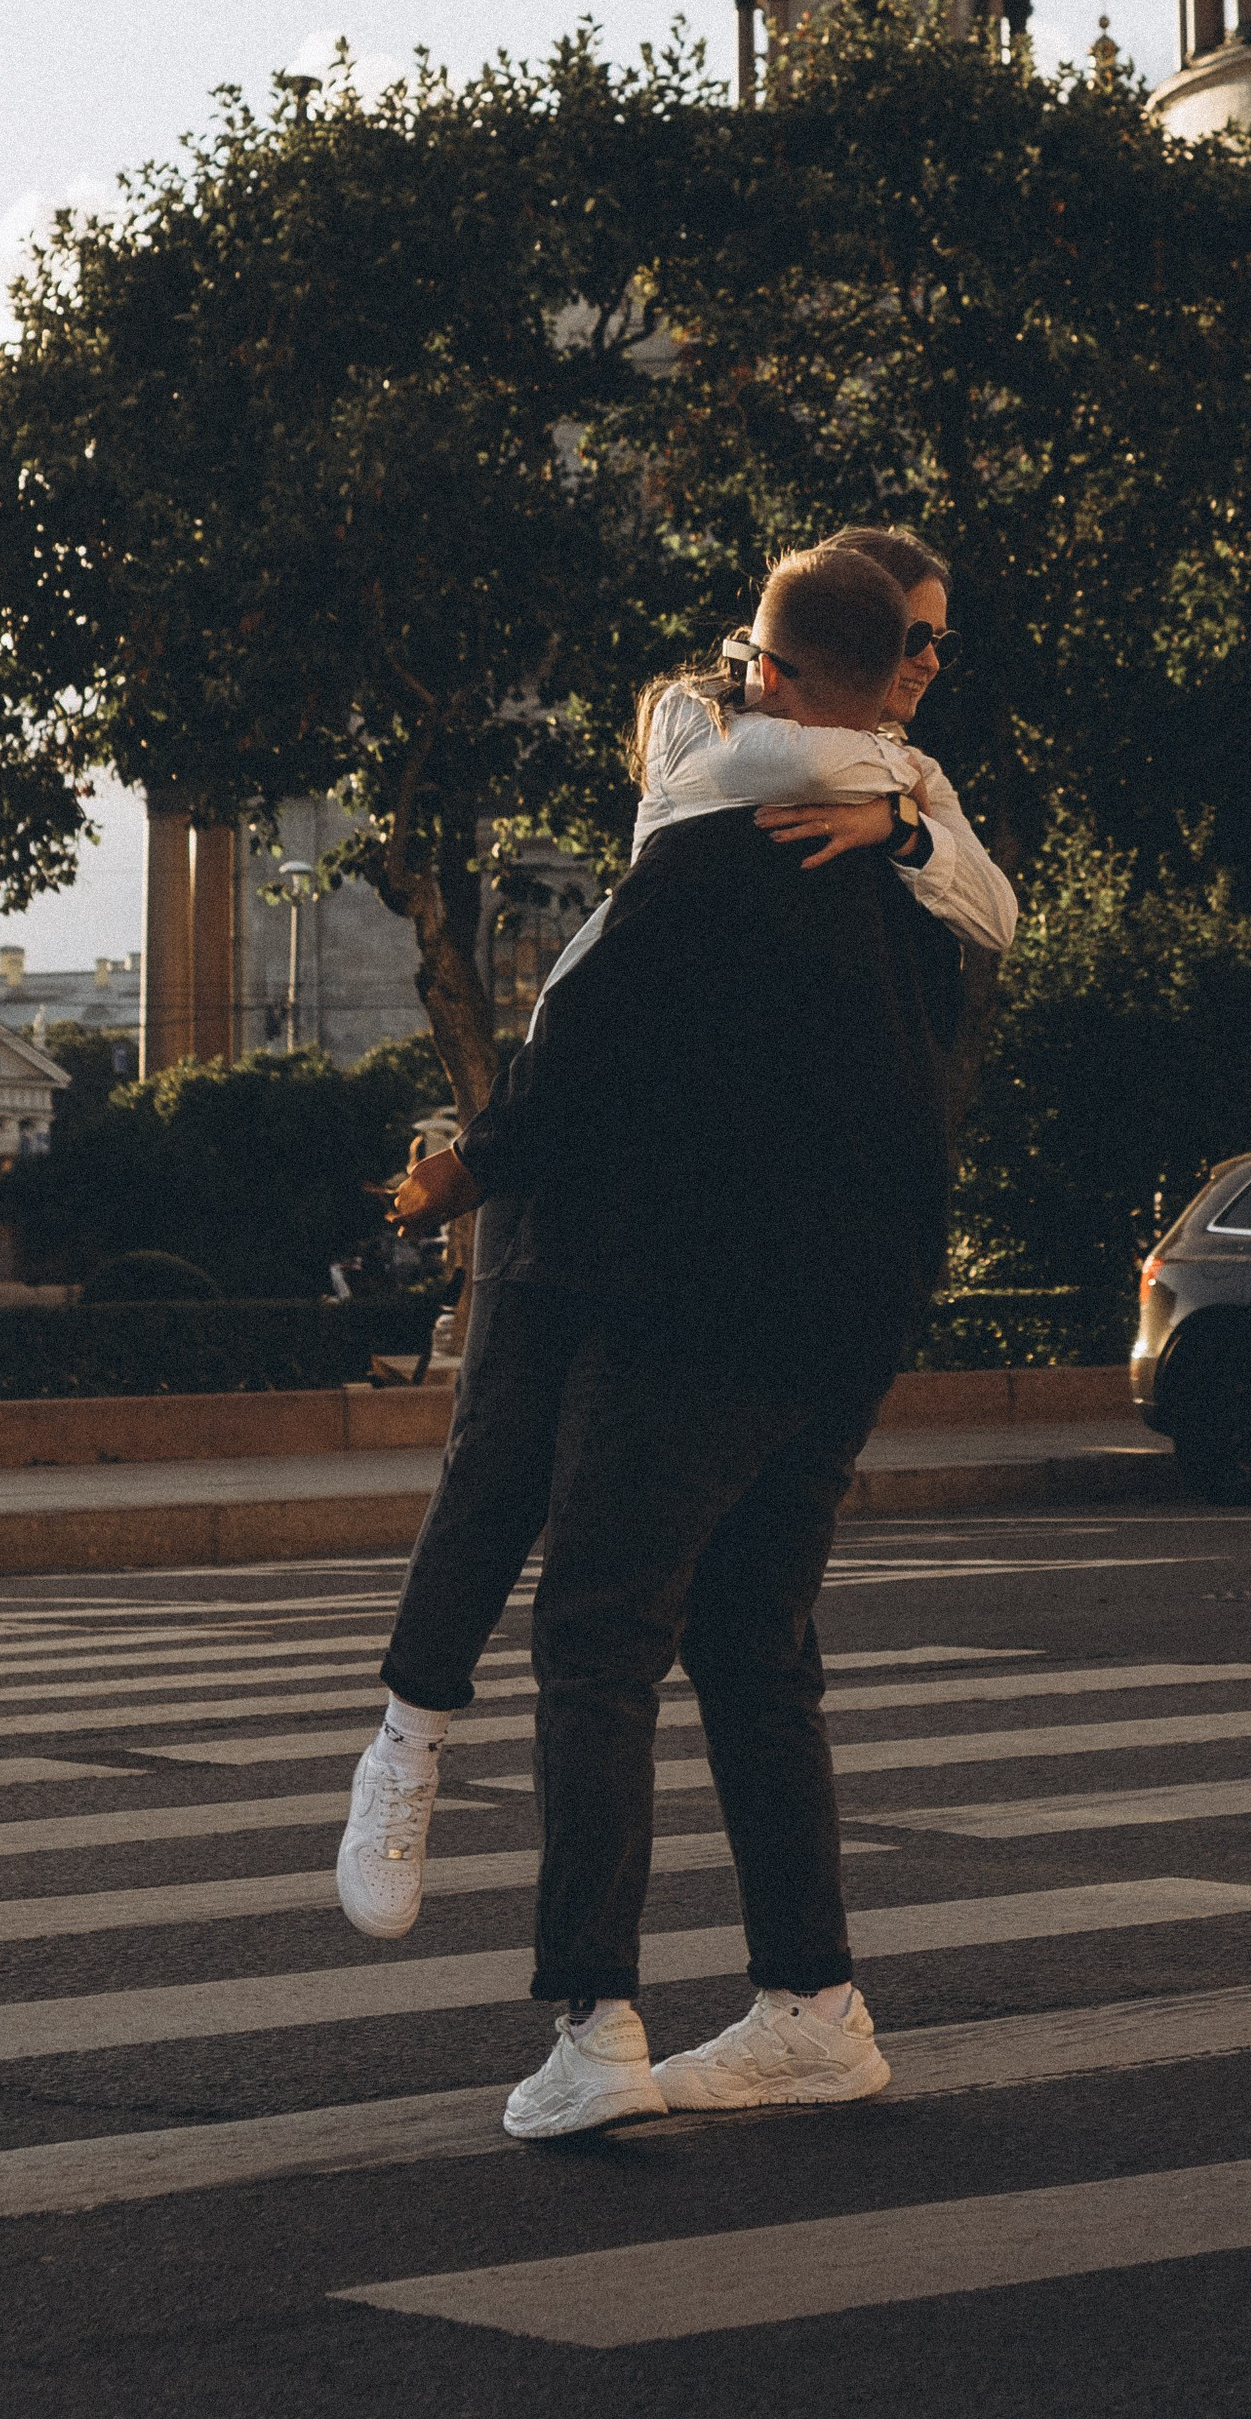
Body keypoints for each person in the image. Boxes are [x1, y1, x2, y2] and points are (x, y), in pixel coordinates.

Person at [334, 542, 952, 2139]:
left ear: (770, 670)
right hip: (856, 1317)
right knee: (755, 1641)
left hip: (706, 1309)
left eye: (748, 654)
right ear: (886, 671)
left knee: (599, 1638)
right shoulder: (907, 855)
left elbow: (581, 1074)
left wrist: (450, 1176)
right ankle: (811, 2005)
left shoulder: (712, 845)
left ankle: (594, 2026)